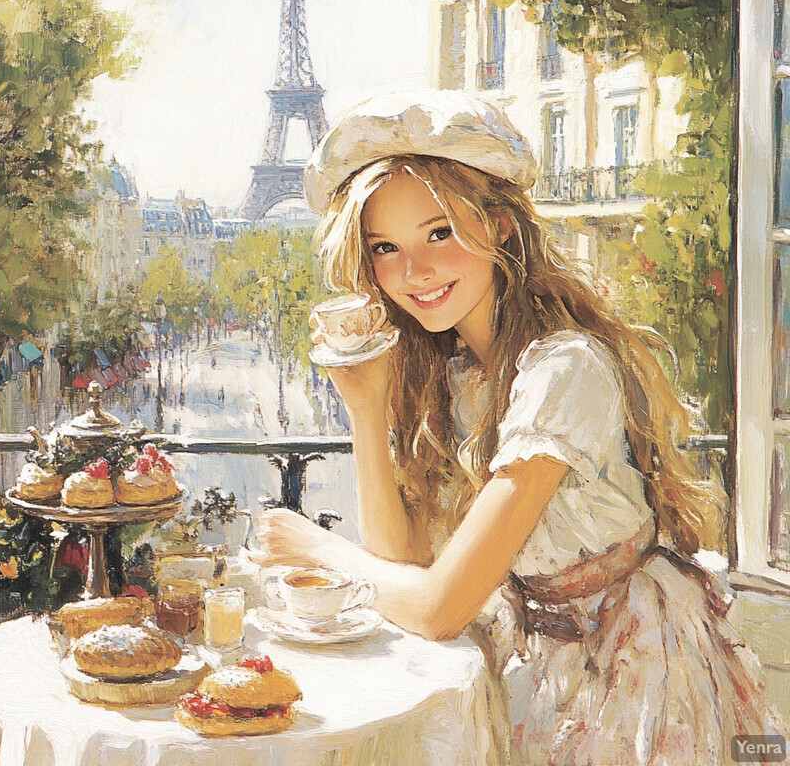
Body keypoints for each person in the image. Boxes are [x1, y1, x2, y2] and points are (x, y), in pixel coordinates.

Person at [252, 91, 786, 765]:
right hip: (546, 663)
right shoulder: (458, 373)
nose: (412, 272)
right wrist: (367, 406)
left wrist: (314, 545)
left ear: (500, 226)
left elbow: (440, 606)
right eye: (385, 247)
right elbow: (407, 565)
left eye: (439, 233)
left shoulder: (562, 370)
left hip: (625, 673)